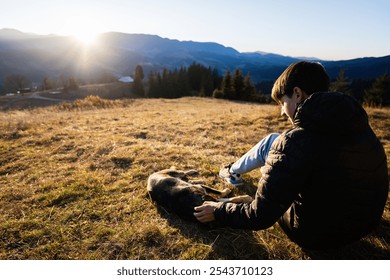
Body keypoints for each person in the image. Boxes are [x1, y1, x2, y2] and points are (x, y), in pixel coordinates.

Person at [194, 61, 389, 250]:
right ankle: (233, 170)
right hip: (364, 226)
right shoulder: (360, 127)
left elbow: (260, 216)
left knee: (276, 144)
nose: (282, 112)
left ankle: (231, 171)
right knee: (275, 142)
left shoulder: (296, 141)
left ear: (297, 93)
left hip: (316, 235)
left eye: (283, 102)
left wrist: (218, 211)